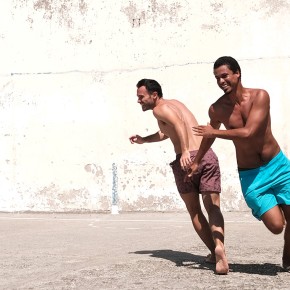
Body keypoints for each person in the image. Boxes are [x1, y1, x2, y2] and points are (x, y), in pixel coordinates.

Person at [187, 56, 290, 272]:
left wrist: (214, 130)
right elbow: (208, 137)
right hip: (252, 175)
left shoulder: (260, 96)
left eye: (224, 75)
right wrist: (197, 162)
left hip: (278, 166)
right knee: (276, 226)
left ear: (237, 73)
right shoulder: (217, 109)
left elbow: (249, 131)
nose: (221, 81)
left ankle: (288, 259)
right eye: (217, 78)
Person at [129, 78, 229, 274]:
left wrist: (184, 151)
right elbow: (168, 131)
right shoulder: (175, 105)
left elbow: (180, 125)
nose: (138, 101)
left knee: (194, 210)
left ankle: (212, 251)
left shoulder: (159, 109)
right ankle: (219, 248)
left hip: (187, 159)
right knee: (213, 207)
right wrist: (144, 140)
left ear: (154, 95)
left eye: (141, 97)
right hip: (205, 154)